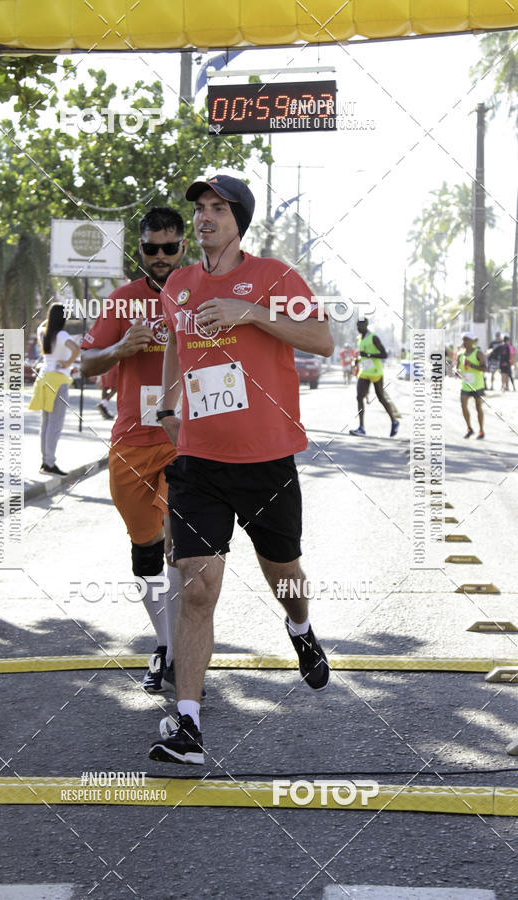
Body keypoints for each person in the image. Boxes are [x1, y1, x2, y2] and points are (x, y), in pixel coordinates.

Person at [147, 174, 334, 766]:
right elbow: (177, 342)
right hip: (198, 461)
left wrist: (248, 311)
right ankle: (188, 725)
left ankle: (300, 630)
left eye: (217, 209)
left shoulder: (276, 276)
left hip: (265, 461)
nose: (205, 217)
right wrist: (168, 403)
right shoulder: (178, 282)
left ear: (239, 220)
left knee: (285, 575)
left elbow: (323, 337)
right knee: (197, 589)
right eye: (199, 209)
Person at [80, 207, 187, 692]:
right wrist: (120, 349)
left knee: (183, 549)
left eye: (169, 247)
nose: (160, 257)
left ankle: (184, 654)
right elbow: (83, 366)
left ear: (182, 246)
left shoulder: (199, 294)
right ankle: (165, 645)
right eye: (151, 249)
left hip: (186, 441)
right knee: (145, 551)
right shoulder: (121, 302)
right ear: (140, 249)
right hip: (131, 441)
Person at [29, 303, 79, 475]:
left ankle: (45, 462)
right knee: (55, 424)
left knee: (46, 423)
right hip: (58, 380)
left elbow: (43, 325)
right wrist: (67, 363)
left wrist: (49, 319)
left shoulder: (43, 332)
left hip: (43, 378)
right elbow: (76, 349)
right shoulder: (62, 334)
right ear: (63, 318)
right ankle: (49, 463)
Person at [349, 318, 399, 437]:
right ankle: (361, 428)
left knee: (380, 397)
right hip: (365, 371)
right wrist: (357, 360)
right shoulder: (359, 338)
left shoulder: (373, 337)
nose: (358, 328)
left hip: (376, 371)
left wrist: (369, 355)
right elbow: (363, 354)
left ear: (366, 325)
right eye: (357, 326)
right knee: (359, 397)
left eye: (361, 326)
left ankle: (394, 421)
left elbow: (384, 354)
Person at [457, 332, 486, 439]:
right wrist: (457, 372)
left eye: (466, 340)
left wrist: (472, 365)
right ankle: (469, 428)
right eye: (463, 340)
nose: (464, 342)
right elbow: (458, 369)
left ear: (472, 341)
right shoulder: (461, 354)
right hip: (465, 385)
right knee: (463, 405)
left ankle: (481, 430)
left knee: (478, 407)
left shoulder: (478, 353)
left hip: (477, 385)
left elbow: (484, 368)